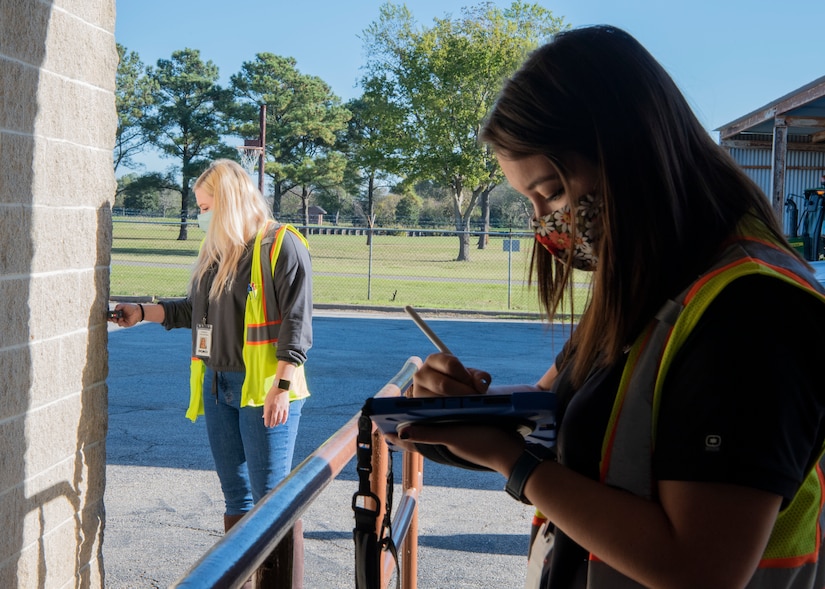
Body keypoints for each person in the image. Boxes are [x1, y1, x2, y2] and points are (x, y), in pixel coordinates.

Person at [386, 26, 825, 589]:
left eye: (554, 191)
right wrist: (460, 412)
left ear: (629, 157)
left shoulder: (754, 312)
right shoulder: (656, 280)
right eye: (531, 201)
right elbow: (559, 416)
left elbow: (700, 569)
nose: (545, 220)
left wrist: (512, 462)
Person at [111, 158, 312, 587]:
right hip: (219, 387)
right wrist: (141, 312)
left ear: (230, 203)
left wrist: (281, 385)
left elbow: (297, 323)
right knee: (236, 496)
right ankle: (245, 578)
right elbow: (192, 311)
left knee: (272, 500)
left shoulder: (282, 245)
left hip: (264, 390)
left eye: (205, 207)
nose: (201, 216)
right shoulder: (217, 253)